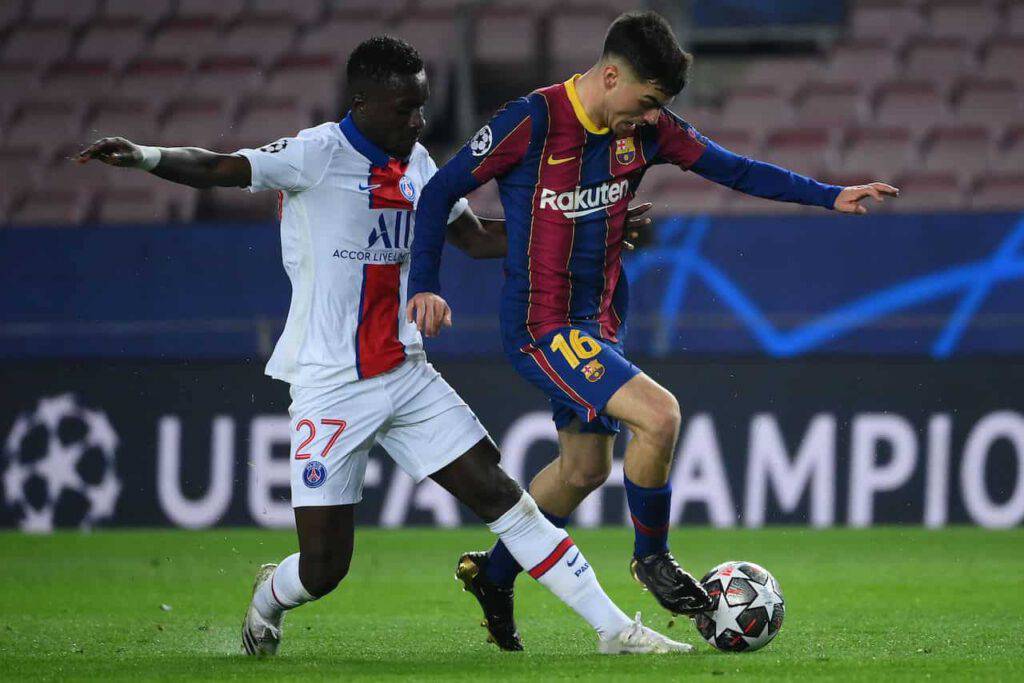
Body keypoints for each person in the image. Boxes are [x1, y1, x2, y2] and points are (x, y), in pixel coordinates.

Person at [77, 35, 688, 656]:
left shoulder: (419, 163)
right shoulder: (315, 153)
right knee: (324, 569)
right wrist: (145, 156)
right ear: (363, 102)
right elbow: (220, 166)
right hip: (331, 384)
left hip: (405, 371)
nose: (417, 121)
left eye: (421, 107)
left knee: (499, 492)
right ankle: (271, 593)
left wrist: (592, 222)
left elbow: (474, 239)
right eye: (404, 108)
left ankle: (615, 630)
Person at [407, 10, 900, 651]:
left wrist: (827, 194)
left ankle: (495, 575)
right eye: (644, 103)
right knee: (659, 416)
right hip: (541, 324)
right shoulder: (530, 122)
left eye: (658, 109)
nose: (648, 119)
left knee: (583, 469)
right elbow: (439, 190)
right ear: (610, 76)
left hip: (602, 321)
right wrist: (425, 281)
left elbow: (735, 168)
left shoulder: (648, 131)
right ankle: (651, 557)